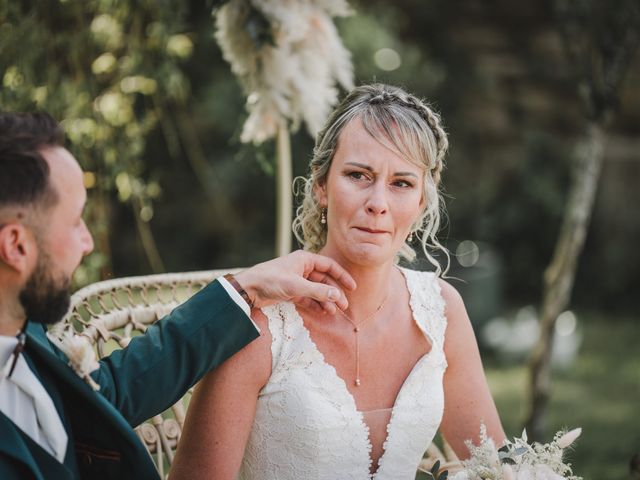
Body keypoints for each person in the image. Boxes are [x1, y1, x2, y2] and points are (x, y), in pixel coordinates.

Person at [171, 84, 506, 480]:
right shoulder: (257, 324)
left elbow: (497, 466)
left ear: (420, 202)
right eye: (358, 175)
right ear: (321, 184)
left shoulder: (442, 311)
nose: (378, 202)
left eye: (401, 183)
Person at [0, 111, 357, 480]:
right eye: (76, 222)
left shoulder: (24, 334)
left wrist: (245, 288)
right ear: (16, 246)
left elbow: (106, 395)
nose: (88, 243)